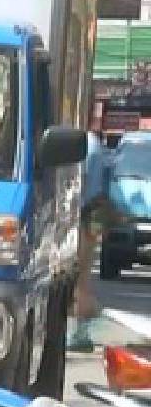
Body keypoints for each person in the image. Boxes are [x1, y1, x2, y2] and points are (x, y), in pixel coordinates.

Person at [70, 131, 110, 349]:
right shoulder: (94, 144)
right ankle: (83, 329)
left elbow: (81, 185)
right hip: (91, 216)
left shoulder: (86, 144)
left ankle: (83, 329)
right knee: (81, 277)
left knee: (78, 278)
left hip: (83, 216)